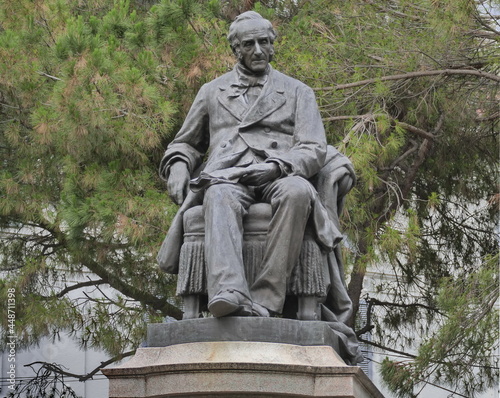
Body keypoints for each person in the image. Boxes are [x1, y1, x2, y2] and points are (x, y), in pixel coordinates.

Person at [159, 11, 328, 318]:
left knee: (298, 193)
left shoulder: (297, 91)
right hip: (230, 173)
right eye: (249, 44)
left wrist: (277, 166)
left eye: (264, 42)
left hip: (279, 171)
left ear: (273, 45)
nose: (259, 50)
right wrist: (179, 165)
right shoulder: (212, 91)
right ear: (235, 49)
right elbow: (184, 142)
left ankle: (266, 299)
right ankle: (229, 292)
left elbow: (314, 148)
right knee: (218, 194)